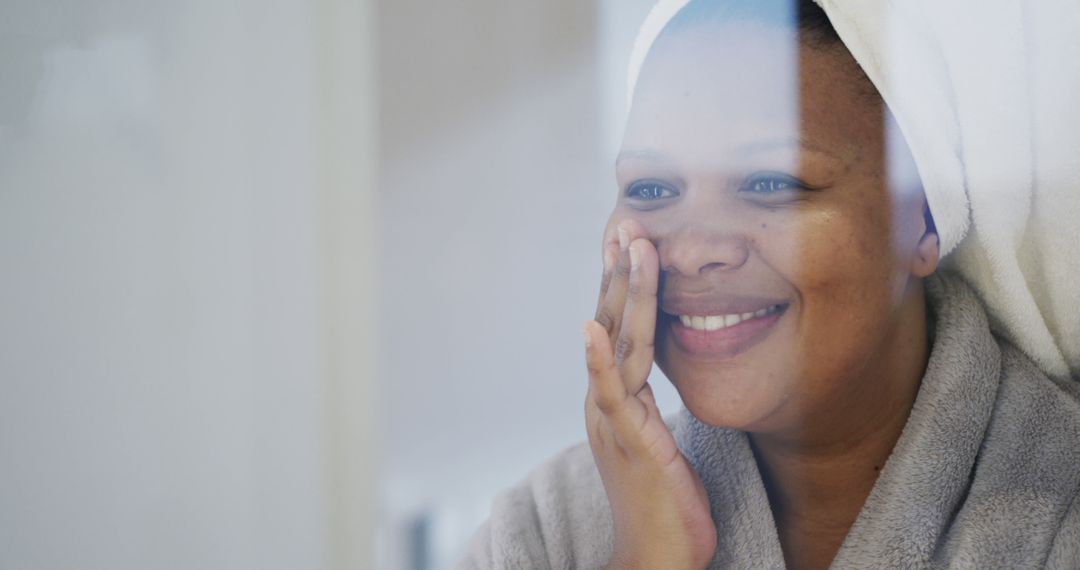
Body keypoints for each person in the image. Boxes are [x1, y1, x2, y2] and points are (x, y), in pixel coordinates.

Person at [461, 1, 1080, 568]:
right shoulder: (541, 534)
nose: (697, 251)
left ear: (922, 219)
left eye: (771, 183)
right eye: (651, 188)